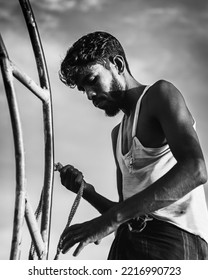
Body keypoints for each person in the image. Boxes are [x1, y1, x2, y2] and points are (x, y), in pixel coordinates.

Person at [58, 31, 208, 259]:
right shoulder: (117, 135)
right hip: (129, 244)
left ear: (117, 64)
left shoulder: (160, 95)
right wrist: (86, 191)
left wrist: (111, 219)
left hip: (174, 241)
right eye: (83, 90)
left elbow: (195, 169)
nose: (89, 94)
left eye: (91, 80)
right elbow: (129, 212)